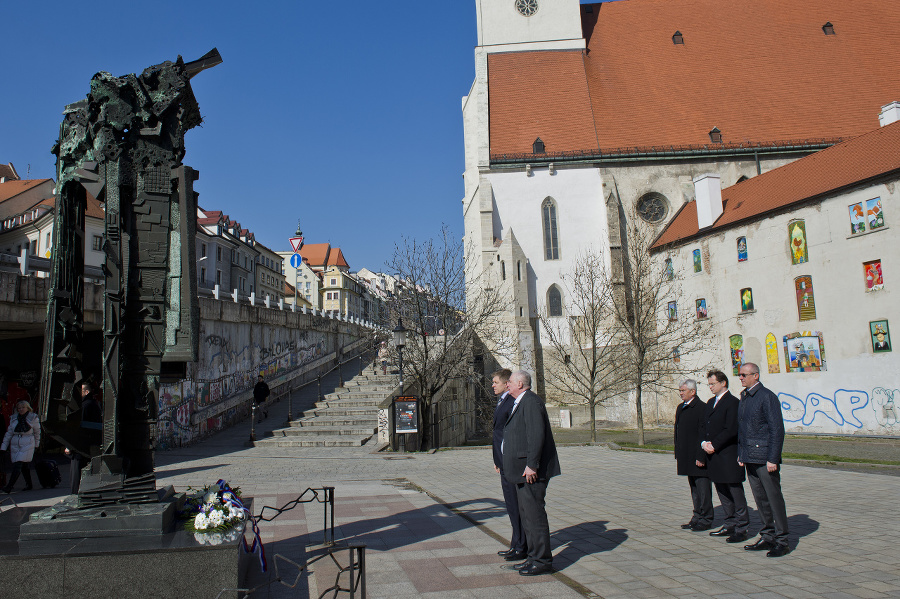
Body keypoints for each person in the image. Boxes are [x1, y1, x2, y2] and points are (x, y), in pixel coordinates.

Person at [502, 370, 561, 576]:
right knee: (527, 516)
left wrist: (532, 465)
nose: (507, 384)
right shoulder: (522, 401)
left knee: (534, 516)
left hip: (530, 472)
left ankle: (542, 560)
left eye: (509, 382)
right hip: (520, 471)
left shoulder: (531, 402)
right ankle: (532, 557)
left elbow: (537, 435)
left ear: (520, 383)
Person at [738, 362, 791, 557]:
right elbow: (743, 429)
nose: (741, 378)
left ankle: (782, 540)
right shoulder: (744, 397)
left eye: (744, 374)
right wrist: (741, 453)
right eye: (740, 375)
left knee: (773, 499)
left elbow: (777, 429)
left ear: (756, 376)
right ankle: (767, 535)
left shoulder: (767, 397)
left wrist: (773, 458)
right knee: (760, 499)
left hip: (765, 457)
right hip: (750, 456)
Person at [702, 370, 750, 543]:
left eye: (713, 384)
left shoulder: (732, 403)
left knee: (734, 491)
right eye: (709, 384)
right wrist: (704, 443)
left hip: (728, 454)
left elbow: (731, 428)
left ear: (723, 383)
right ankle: (729, 523)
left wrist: (715, 444)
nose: (710, 387)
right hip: (713, 455)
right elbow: (705, 426)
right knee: (721, 490)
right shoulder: (710, 403)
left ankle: (742, 526)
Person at [490, 368, 526, 562]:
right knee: (511, 505)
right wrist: (497, 460)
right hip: (503, 460)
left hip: (510, 460)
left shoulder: (512, 401)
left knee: (515, 504)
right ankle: (516, 543)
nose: (493, 385)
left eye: (496, 382)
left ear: (506, 383)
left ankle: (520, 545)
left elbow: (508, 433)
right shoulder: (503, 400)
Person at [674, 380, 712, 531]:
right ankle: (697, 515)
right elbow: (677, 431)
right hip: (686, 455)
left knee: (703, 488)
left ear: (692, 391)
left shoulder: (701, 408)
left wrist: (701, 456)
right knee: (694, 488)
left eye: (683, 390)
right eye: (680, 390)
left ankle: (706, 518)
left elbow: (703, 433)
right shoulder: (680, 407)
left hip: (698, 456)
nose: (681, 393)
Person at [66, 380, 102, 494]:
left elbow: (79, 426)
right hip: (88, 444)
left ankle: (76, 493)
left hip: (80, 446)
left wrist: (69, 445)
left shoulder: (85, 405)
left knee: (77, 472)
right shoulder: (92, 404)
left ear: (86, 392)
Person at [1, 400, 41, 494]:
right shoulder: (14, 418)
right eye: (19, 408)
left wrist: (36, 444)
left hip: (28, 442)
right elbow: (9, 433)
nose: (21, 410)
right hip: (16, 442)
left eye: (23, 407)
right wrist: (3, 446)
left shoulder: (33, 417)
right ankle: (29, 484)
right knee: (24, 465)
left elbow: (37, 432)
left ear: (27, 408)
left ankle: (9, 486)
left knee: (18, 464)